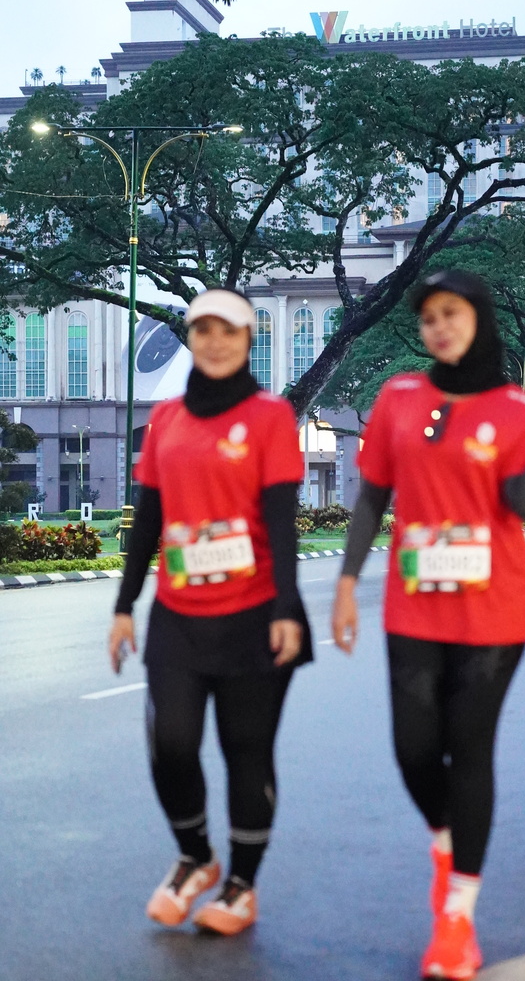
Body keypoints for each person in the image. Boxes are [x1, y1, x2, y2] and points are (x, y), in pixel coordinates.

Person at [331, 269, 525, 980]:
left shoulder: (520, 407)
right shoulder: (399, 397)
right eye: (429, 316)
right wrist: (345, 582)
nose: (439, 326)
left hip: (493, 613)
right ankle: (447, 840)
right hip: (413, 606)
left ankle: (457, 917)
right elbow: (372, 496)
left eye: (452, 313)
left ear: (479, 319)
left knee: (468, 749)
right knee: (412, 749)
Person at [108, 288, 312, 936]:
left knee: (245, 750)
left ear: (249, 340)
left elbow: (280, 522)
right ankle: (195, 857)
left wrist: (287, 608)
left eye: (229, 331)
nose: (215, 342)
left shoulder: (270, 415)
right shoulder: (166, 418)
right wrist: (124, 606)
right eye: (203, 330)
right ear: (191, 338)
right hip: (178, 614)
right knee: (170, 742)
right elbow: (149, 518)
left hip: (255, 614)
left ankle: (241, 886)